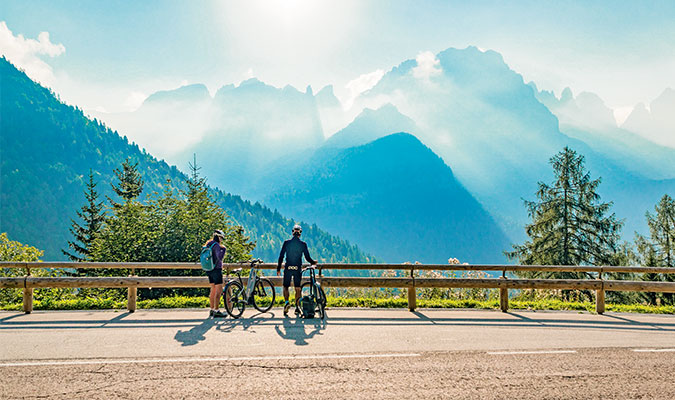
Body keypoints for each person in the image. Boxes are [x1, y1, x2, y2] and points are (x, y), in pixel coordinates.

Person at [277, 224, 317, 315]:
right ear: (300, 234)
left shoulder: (286, 243)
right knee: (298, 288)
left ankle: (287, 303)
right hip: (297, 267)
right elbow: (307, 258)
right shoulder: (303, 244)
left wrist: (278, 268)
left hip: (288, 267)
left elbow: (281, 256)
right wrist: (314, 262)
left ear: (292, 233)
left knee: (286, 286)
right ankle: (297, 307)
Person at [205, 229, 227, 318]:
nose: (222, 240)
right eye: (221, 238)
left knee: (213, 289)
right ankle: (217, 310)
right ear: (219, 237)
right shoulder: (217, 245)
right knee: (219, 290)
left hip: (209, 269)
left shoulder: (209, 244)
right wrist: (224, 249)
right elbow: (219, 257)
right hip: (217, 269)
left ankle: (212, 309)